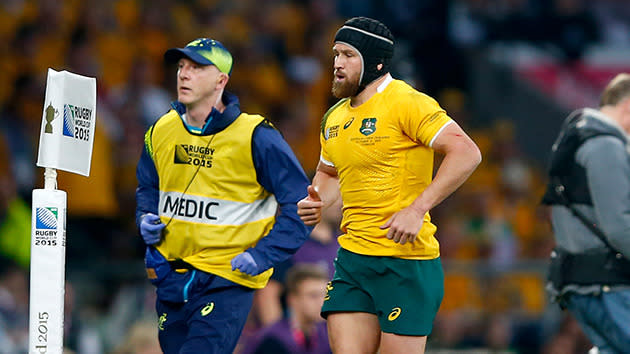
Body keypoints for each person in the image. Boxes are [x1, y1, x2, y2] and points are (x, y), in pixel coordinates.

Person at [297, 17, 482, 354]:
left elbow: (467, 152)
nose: (337, 63)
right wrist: (317, 201)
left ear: (375, 62)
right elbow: (328, 173)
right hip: (353, 259)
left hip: (405, 263)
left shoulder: (407, 102)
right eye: (336, 54)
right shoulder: (334, 117)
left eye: (348, 55)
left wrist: (417, 209)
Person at [135, 37, 312, 353]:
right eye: (181, 67)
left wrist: (262, 254)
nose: (184, 74)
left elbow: (303, 205)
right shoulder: (161, 128)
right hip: (170, 278)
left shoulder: (257, 136)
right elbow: (148, 186)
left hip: (226, 280)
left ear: (221, 80)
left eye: (197, 68)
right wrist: (144, 216)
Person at [542, 73, 630, 353]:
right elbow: (620, 228)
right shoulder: (606, 146)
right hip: (607, 283)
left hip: (585, 280)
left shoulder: (578, 137)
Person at [242, 264, 331, 354]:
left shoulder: (326, 336)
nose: (322, 302)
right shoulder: (273, 339)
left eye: (325, 295)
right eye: (313, 296)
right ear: (292, 299)